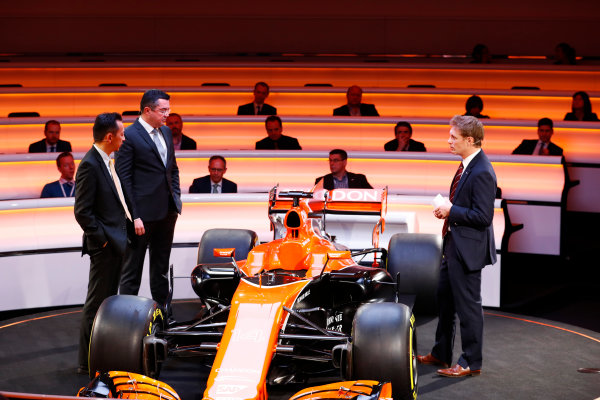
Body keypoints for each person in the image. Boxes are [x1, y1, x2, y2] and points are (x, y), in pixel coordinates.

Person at [418, 115, 497, 378]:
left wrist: (452, 210)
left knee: (468, 307)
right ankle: (441, 352)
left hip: (467, 250)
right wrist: (449, 212)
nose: (449, 141)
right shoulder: (467, 165)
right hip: (453, 245)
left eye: (454, 137)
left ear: (469, 140)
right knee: (445, 301)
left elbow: (483, 217)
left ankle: (470, 362)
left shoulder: (483, 170)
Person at [74, 112, 131, 375]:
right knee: (96, 303)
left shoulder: (106, 160)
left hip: (115, 243)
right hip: (104, 246)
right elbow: (83, 212)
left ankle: (102, 356)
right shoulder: (90, 164)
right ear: (109, 136)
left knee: (107, 303)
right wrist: (104, 242)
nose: (123, 137)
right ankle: (86, 361)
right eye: (121, 133)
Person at [116, 89, 182, 311]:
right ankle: (124, 319)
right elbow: (123, 178)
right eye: (163, 110)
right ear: (147, 110)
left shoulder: (164, 133)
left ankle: (164, 315)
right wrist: (134, 215)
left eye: (168, 110)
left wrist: (176, 199)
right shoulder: (129, 135)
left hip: (167, 212)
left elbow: (172, 169)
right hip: (141, 217)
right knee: (132, 270)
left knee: (161, 269)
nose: (167, 115)